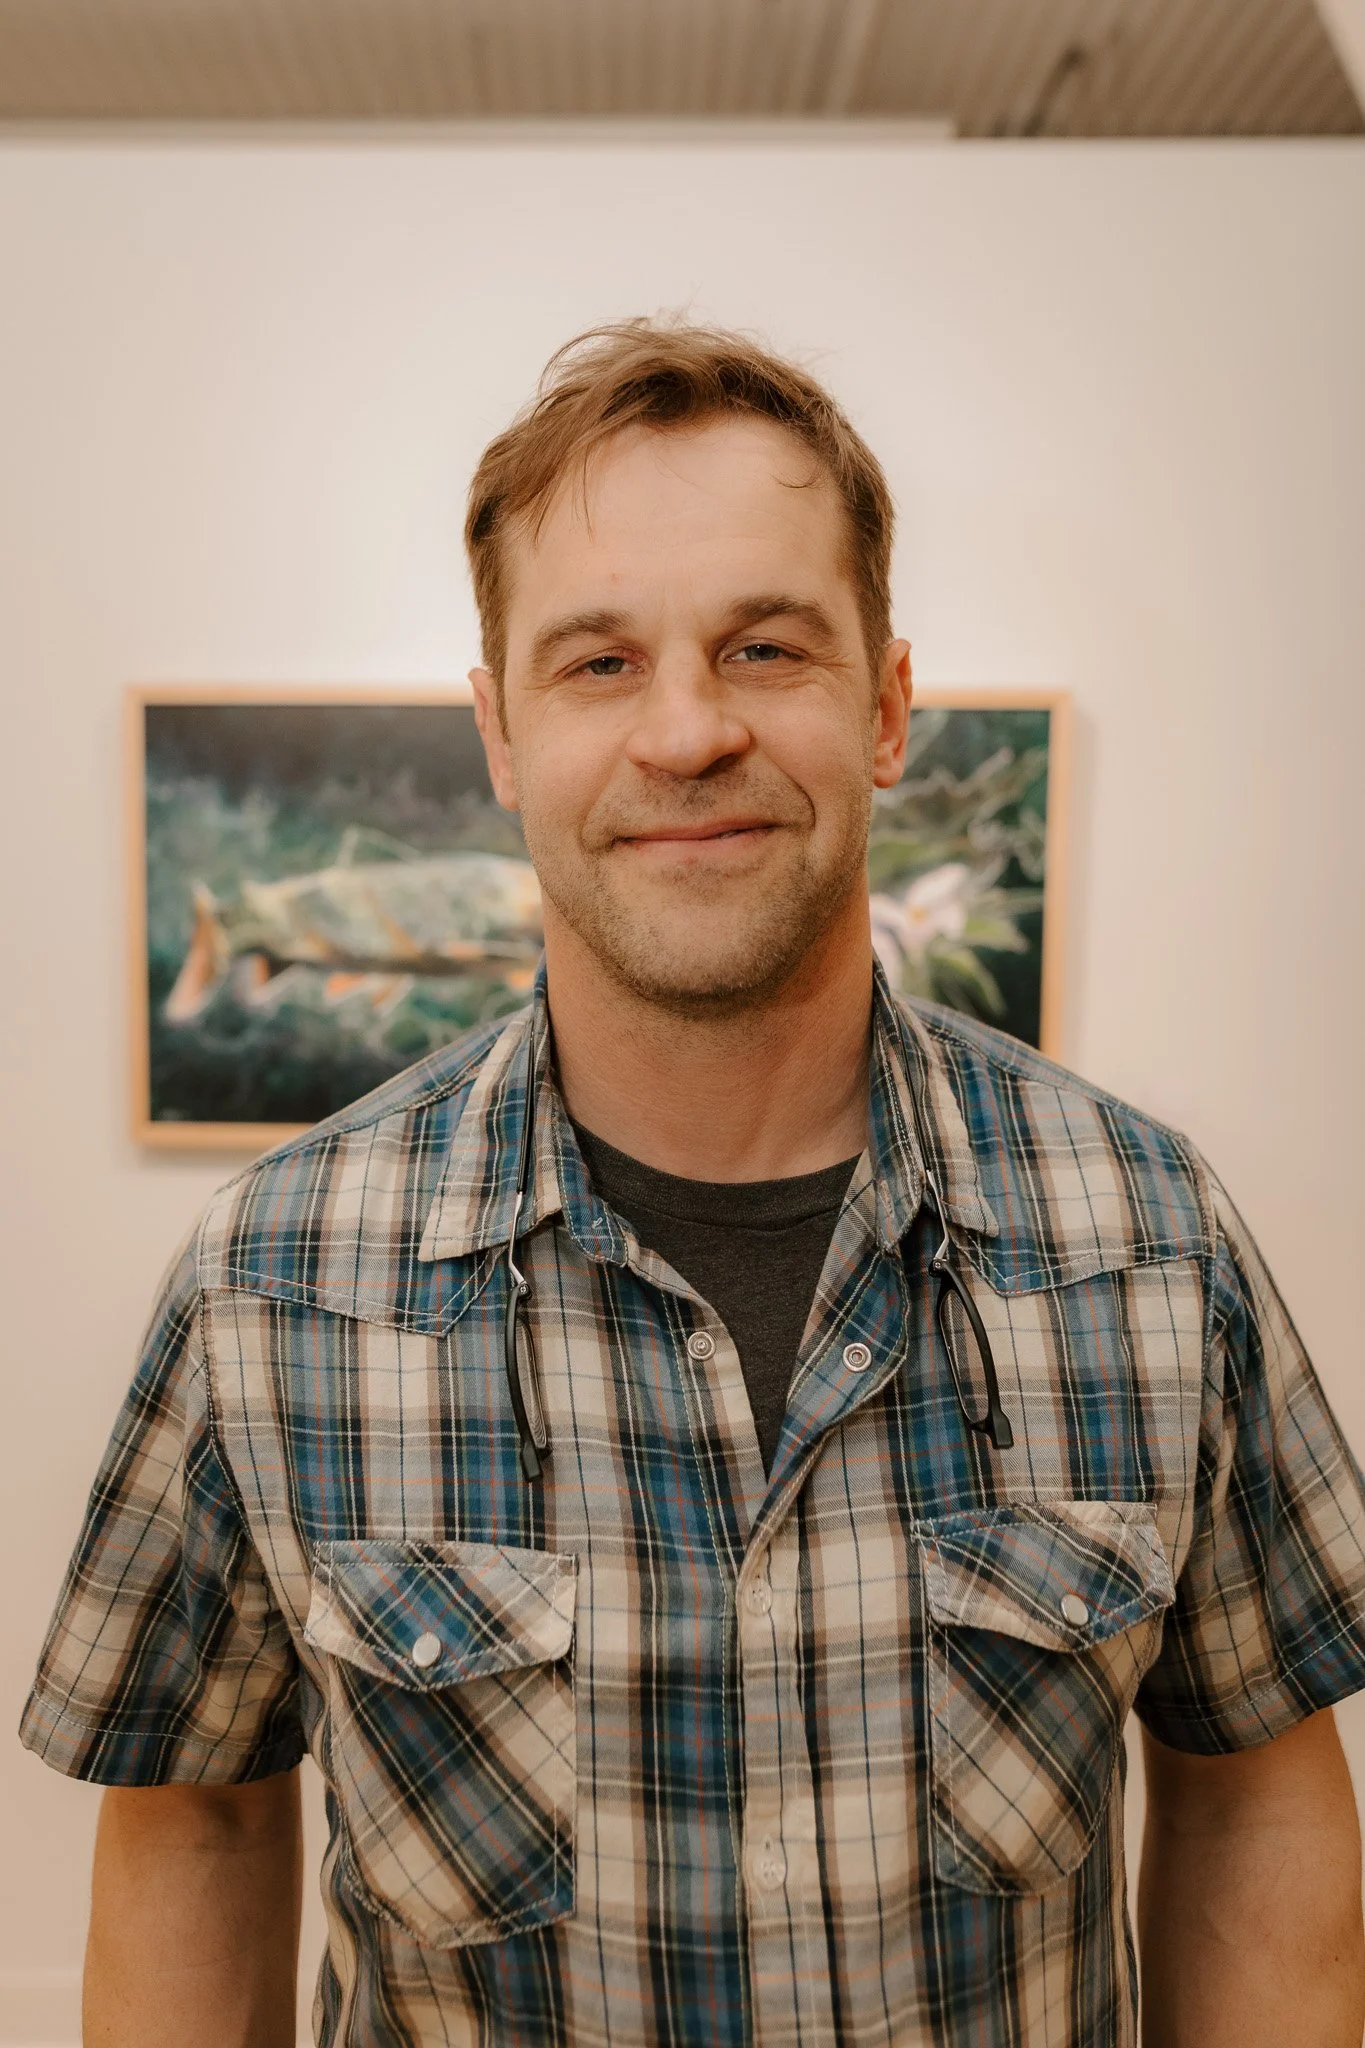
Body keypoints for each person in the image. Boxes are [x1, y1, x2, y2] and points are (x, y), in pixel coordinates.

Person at [21, 320, 1365, 2048]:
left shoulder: (1153, 1241)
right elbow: (195, 1826)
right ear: (502, 736)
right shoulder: (271, 1282)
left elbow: (1251, 1794)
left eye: (765, 647)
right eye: (598, 662)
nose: (687, 730)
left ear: (886, 706)